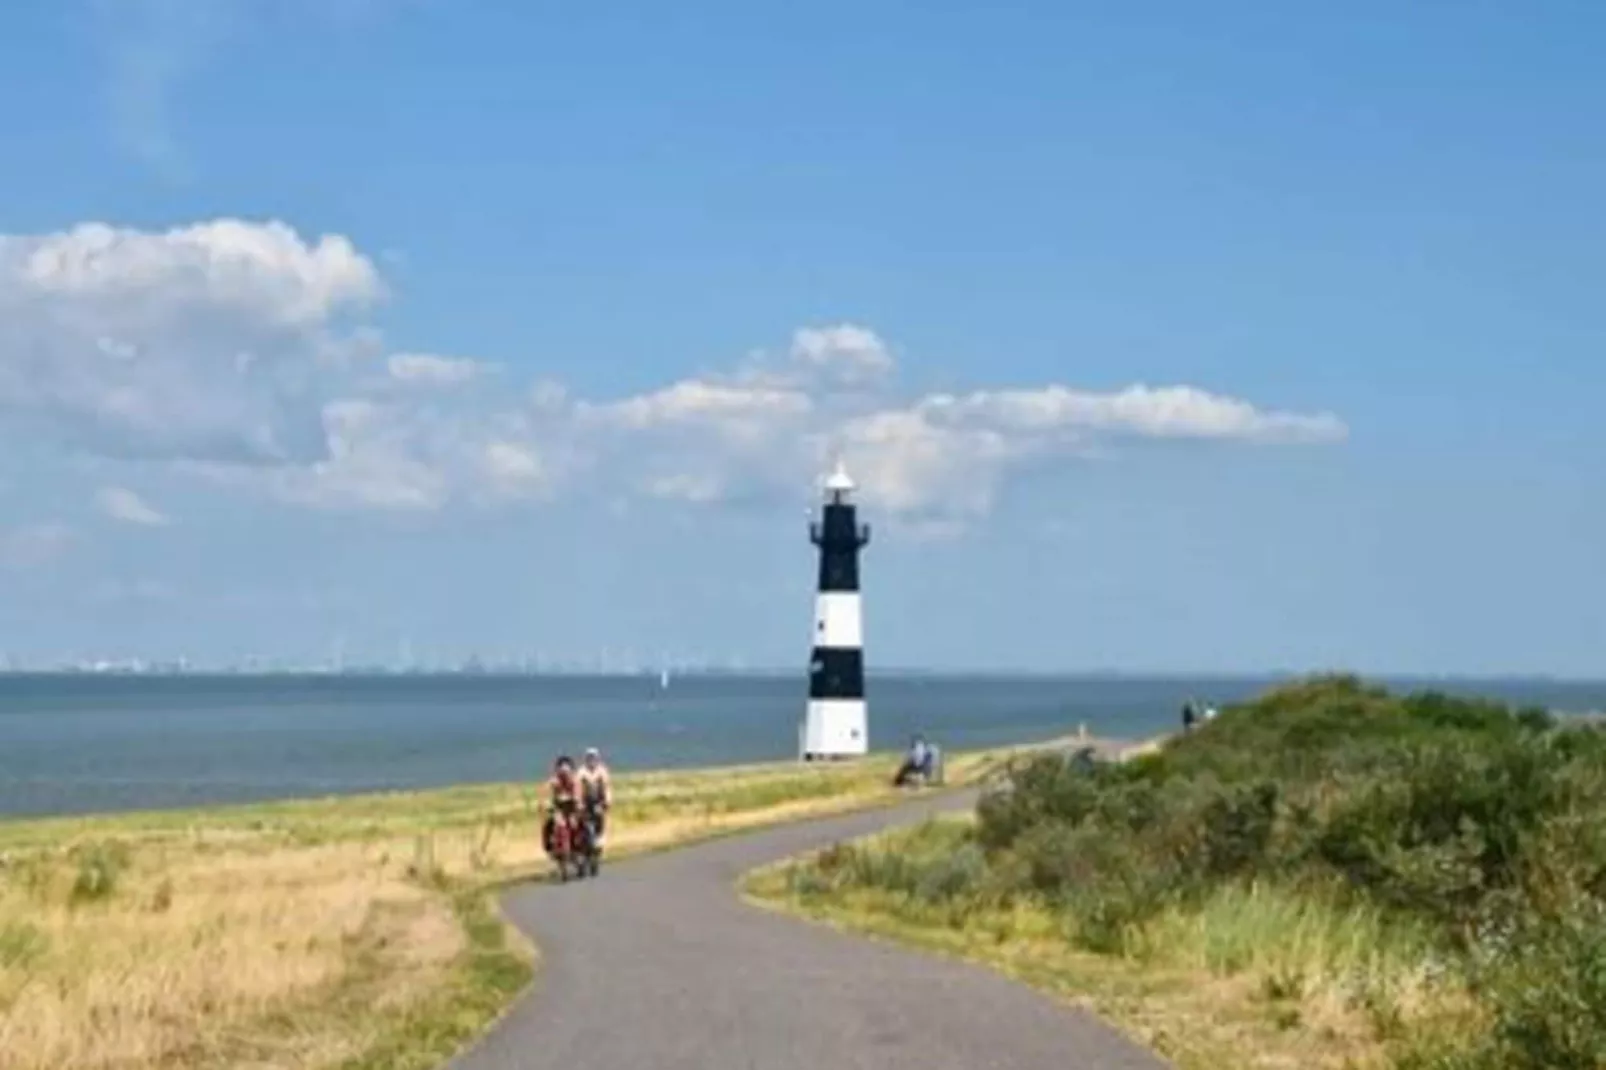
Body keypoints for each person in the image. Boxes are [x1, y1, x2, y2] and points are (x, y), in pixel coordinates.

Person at [542, 754, 583, 854]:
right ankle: (551, 846)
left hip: (572, 806)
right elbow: (546, 789)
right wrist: (544, 802)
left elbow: (578, 792)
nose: (564, 772)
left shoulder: (574, 780)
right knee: (552, 824)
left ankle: (579, 844)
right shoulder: (555, 780)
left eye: (566, 770)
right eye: (562, 769)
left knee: (575, 823)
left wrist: (577, 801)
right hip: (558, 807)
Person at [577, 746, 612, 850]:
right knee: (581, 819)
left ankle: (600, 836)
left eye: (593, 757)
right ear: (586, 759)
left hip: (598, 800)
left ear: (597, 758)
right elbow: (577, 787)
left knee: (599, 815)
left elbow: (606, 787)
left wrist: (607, 800)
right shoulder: (581, 771)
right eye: (589, 757)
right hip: (585, 800)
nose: (591, 760)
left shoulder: (602, 770)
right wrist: (578, 802)